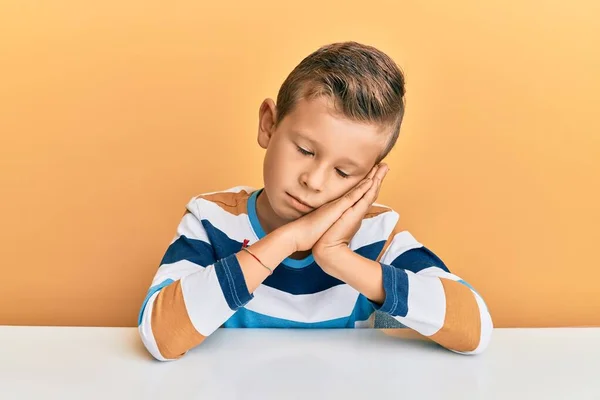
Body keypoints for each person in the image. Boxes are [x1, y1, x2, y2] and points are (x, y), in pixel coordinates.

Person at [138, 41, 493, 361]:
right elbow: (161, 337)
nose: (314, 181)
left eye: (343, 173)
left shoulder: (376, 234)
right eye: (305, 150)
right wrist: (288, 240)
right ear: (269, 124)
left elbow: (474, 329)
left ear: (369, 178)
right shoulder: (210, 219)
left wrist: (337, 256)